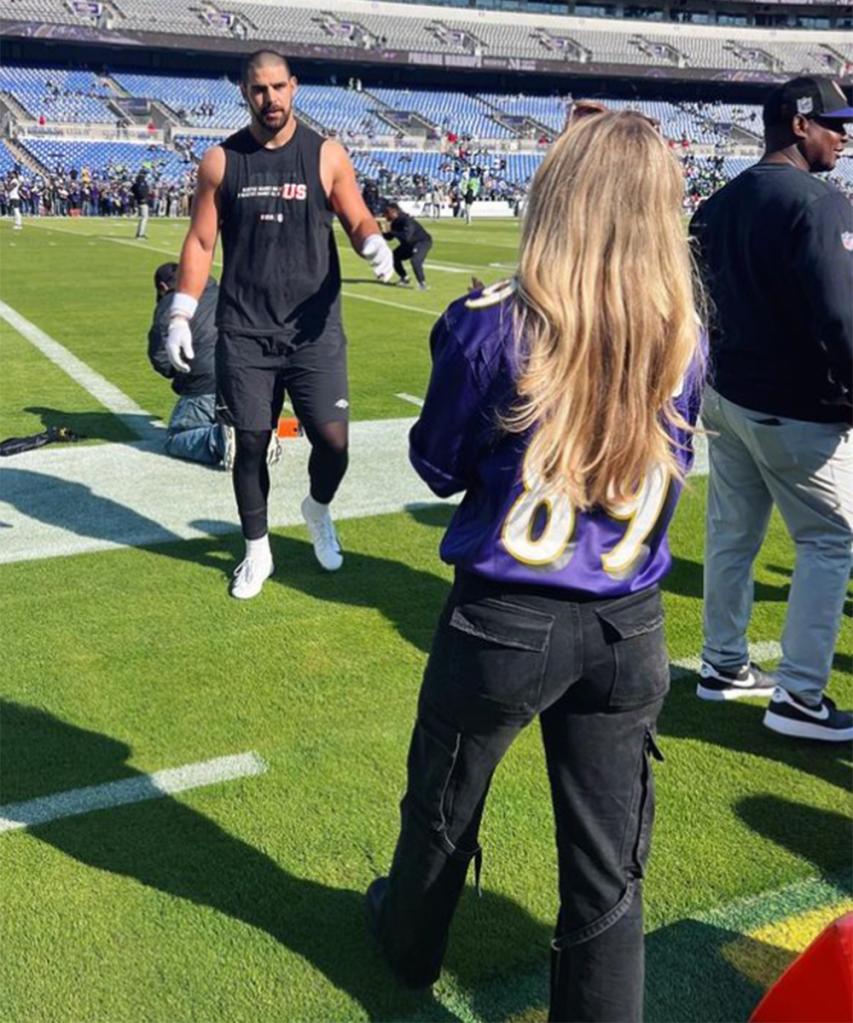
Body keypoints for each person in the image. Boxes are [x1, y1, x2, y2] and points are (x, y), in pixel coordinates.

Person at [367, 111, 704, 1021]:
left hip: (505, 617)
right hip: (629, 622)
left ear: (558, 200)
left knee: (442, 801)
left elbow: (436, 467)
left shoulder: (491, 328)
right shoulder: (682, 333)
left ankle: (408, 943)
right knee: (608, 870)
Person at [166, 49, 394, 599]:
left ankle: (316, 509)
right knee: (249, 444)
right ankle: (257, 549)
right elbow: (201, 241)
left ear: (294, 87)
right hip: (245, 330)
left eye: (278, 88)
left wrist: (372, 242)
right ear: (245, 92)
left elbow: (355, 211)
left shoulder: (325, 154)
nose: (270, 99)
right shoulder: (221, 161)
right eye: (258, 90)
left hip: (313, 331)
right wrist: (180, 311)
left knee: (333, 444)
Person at [690, 76, 853, 741]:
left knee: (731, 535)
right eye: (834, 124)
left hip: (727, 396)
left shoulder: (716, 204)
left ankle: (722, 664)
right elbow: (842, 319)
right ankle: (798, 698)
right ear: (797, 125)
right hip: (794, 407)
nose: (844, 137)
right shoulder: (817, 204)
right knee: (827, 540)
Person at [148, 262, 232, 467]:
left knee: (176, 438)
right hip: (243, 379)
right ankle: (254, 436)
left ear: (162, 287)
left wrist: (180, 372)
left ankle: (219, 440)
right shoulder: (223, 292)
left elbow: (160, 356)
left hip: (203, 384)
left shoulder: (171, 303)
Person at [382, 202, 433, 291]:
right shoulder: (395, 223)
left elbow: (406, 236)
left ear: (394, 211)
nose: (385, 215)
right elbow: (389, 238)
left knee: (415, 260)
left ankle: (422, 283)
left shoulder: (406, 220)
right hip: (409, 244)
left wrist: (392, 232)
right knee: (395, 255)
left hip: (422, 242)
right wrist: (381, 232)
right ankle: (404, 277)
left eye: (387, 212)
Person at [132, 169, 149, 238]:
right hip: (142, 201)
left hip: (140, 200)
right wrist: (142, 197)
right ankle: (140, 234)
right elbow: (141, 191)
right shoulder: (141, 181)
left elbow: (133, 189)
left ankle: (140, 232)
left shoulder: (137, 181)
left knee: (143, 217)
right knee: (144, 217)